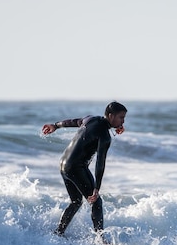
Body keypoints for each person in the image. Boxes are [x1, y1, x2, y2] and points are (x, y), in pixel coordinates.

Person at [42, 101, 127, 237]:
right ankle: (100, 240)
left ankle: (58, 233)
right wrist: (97, 188)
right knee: (96, 202)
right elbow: (100, 162)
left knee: (76, 201)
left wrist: (55, 125)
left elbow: (73, 122)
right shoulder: (104, 136)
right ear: (111, 116)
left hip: (64, 164)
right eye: (121, 117)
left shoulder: (91, 119)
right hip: (76, 167)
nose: (123, 121)